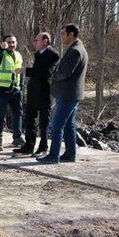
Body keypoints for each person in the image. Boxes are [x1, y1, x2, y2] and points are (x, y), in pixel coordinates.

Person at [37, 24, 88, 164]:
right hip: (71, 94)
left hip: (68, 94)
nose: (61, 37)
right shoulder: (76, 48)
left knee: (56, 124)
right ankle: (70, 154)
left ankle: (53, 156)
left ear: (71, 34)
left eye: (63, 34)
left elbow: (64, 73)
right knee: (69, 125)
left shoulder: (76, 51)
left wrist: (51, 74)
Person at [13, 32, 60, 156]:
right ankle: (29, 146)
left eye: (36, 40)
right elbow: (37, 71)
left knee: (44, 122)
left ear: (45, 41)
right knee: (30, 120)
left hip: (45, 92)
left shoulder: (54, 55)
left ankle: (43, 148)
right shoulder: (38, 54)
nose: (34, 42)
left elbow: (46, 73)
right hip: (33, 91)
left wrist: (26, 70)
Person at [0, 34, 25, 151]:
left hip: (15, 90)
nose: (11, 44)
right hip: (1, 90)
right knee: (0, 116)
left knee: (18, 113)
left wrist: (21, 87)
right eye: (9, 42)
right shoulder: (0, 54)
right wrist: (0, 48)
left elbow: (20, 73)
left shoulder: (18, 55)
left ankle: (17, 137)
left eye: (13, 42)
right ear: (4, 43)